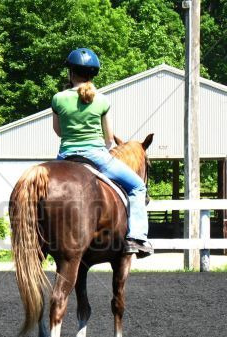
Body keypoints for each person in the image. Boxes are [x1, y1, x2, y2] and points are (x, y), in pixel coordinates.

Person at [51, 47, 153, 257]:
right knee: (137, 186)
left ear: (71, 73)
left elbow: (59, 132)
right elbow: (109, 138)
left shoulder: (58, 98)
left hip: (65, 157)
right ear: (92, 74)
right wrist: (105, 148)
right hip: (97, 156)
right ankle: (137, 238)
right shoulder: (102, 100)